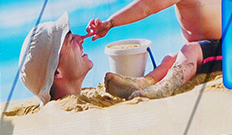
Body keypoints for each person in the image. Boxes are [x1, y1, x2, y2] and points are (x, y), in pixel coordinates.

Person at [87, 0, 223, 100]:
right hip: (203, 53)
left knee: (189, 50)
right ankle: (144, 82)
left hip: (223, 51)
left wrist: (110, 23)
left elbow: (146, 7)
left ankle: (166, 86)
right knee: (171, 59)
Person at [18, 12, 170, 104]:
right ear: (57, 72)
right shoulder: (76, 116)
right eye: (71, 40)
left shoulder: (84, 101)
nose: (81, 39)